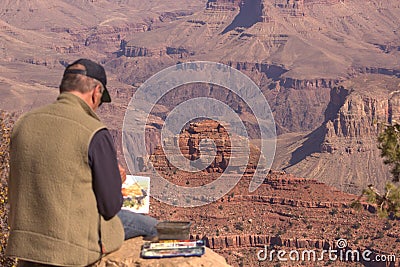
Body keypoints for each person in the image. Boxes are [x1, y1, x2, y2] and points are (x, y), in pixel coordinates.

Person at [6, 59, 158, 266]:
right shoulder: (93, 131)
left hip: (28, 244)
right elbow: (109, 207)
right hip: (72, 244)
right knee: (155, 228)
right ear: (96, 92)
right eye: (100, 100)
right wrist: (116, 180)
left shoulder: (24, 123)